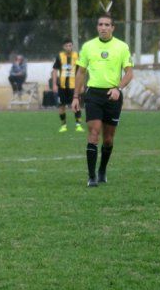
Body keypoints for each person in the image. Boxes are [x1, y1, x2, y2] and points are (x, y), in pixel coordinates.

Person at [72, 13, 134, 187]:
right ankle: (91, 177)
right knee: (94, 132)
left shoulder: (121, 47)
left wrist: (118, 88)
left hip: (113, 95)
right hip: (93, 95)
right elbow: (81, 72)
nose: (103, 27)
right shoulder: (88, 47)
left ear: (113, 28)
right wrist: (76, 96)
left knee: (108, 139)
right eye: (100, 24)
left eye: (107, 25)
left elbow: (129, 73)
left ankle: (102, 170)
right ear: (97, 27)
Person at [52, 39, 83, 133]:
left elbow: (81, 71)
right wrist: (54, 84)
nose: (69, 47)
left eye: (70, 45)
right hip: (62, 86)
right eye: (67, 46)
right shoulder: (60, 56)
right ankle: (63, 125)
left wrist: (81, 85)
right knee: (61, 106)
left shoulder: (77, 56)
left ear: (72, 46)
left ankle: (78, 125)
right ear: (63, 47)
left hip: (74, 86)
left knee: (76, 105)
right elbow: (54, 70)